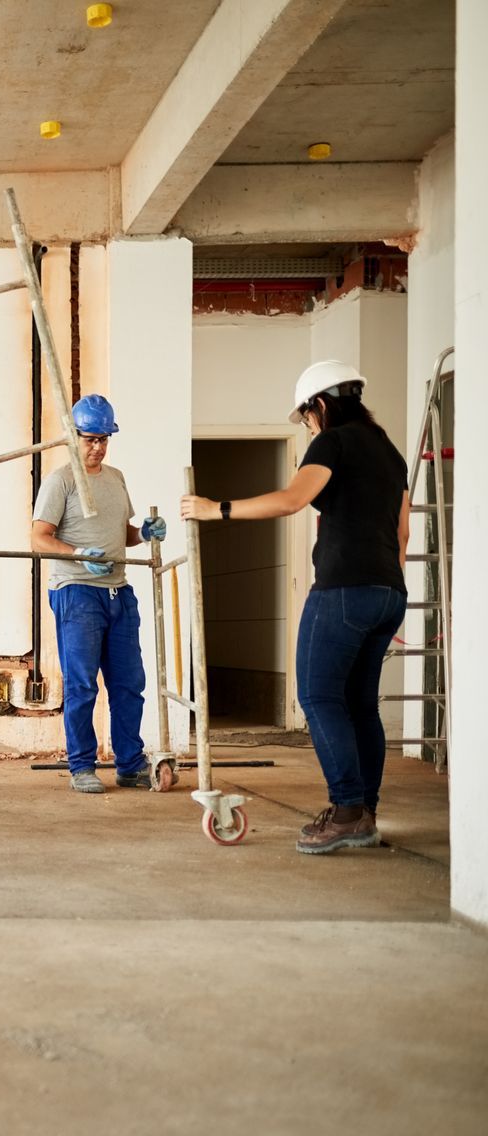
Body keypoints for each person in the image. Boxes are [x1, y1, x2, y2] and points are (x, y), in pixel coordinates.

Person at [181, 359, 409, 855]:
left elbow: (292, 499)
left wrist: (215, 508)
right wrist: (382, 591)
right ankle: (365, 811)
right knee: (360, 705)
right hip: (388, 592)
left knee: (318, 697)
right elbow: (402, 534)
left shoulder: (333, 441)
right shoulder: (391, 454)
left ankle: (348, 812)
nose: (307, 426)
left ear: (320, 405)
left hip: (344, 591)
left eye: (306, 418)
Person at [28, 395, 168, 793]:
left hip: (118, 593)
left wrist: (145, 533)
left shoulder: (116, 478)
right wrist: (78, 556)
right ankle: (82, 766)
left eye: (104, 438)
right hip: (77, 593)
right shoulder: (61, 481)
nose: (98, 447)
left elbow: (121, 533)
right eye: (90, 439)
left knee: (128, 684)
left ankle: (129, 764)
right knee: (82, 685)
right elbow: (39, 537)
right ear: (73, 436)